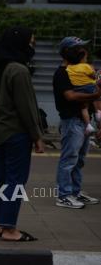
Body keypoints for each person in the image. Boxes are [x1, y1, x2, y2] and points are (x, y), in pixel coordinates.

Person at [0, 27, 45, 242]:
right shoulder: (19, 70)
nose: (32, 46)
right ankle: (9, 229)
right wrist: (37, 136)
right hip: (16, 132)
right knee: (15, 181)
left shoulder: (2, 66)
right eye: (31, 42)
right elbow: (26, 107)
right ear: (21, 44)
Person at [53, 36, 101, 209]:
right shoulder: (62, 73)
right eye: (79, 49)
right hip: (71, 121)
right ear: (67, 52)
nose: (83, 52)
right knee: (69, 159)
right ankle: (64, 195)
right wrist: (95, 95)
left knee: (79, 159)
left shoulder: (79, 69)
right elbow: (70, 96)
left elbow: (94, 81)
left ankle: (74, 191)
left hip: (83, 121)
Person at [65, 47, 101, 134]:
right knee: (95, 96)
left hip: (78, 89)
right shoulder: (86, 66)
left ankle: (88, 125)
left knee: (84, 107)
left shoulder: (69, 67)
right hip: (90, 88)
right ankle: (97, 113)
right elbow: (94, 76)